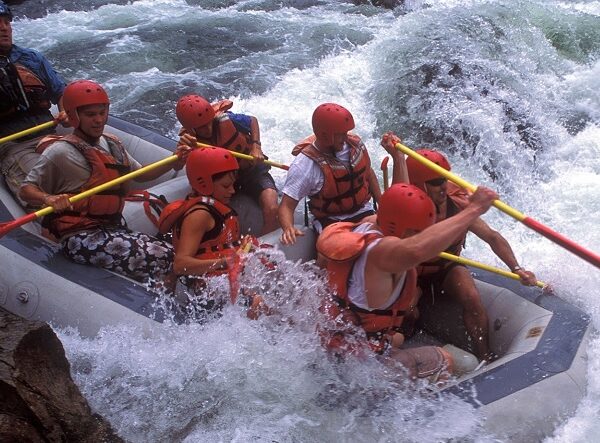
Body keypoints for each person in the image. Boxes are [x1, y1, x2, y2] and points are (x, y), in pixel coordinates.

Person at [316, 183, 500, 379]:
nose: (422, 235)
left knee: (397, 338)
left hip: (333, 347)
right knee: (443, 359)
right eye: (419, 232)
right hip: (360, 366)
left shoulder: (360, 229)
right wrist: (474, 209)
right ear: (402, 231)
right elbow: (417, 250)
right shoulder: (382, 254)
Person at [19, 80, 189, 287]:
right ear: (74, 116)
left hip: (111, 227)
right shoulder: (60, 152)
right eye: (91, 115)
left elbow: (142, 175)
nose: (99, 120)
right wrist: (49, 199)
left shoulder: (112, 143)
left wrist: (175, 160)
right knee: (163, 257)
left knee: (175, 251)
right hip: (78, 238)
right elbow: (26, 190)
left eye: (102, 112)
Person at [406, 149, 538, 361]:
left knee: (472, 298)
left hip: (447, 266)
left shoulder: (459, 205)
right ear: (420, 185)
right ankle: (407, 336)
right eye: (437, 181)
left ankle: (484, 355)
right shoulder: (406, 209)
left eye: (445, 178)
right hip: (413, 270)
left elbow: (492, 237)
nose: (443, 186)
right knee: (407, 310)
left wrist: (517, 269)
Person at [157, 147, 268, 320]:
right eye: (225, 186)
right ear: (204, 184)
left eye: (232, 185)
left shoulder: (215, 208)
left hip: (216, 281)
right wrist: (225, 262)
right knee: (259, 304)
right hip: (198, 288)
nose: (232, 190)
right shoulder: (199, 215)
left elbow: (216, 244)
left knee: (268, 294)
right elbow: (180, 264)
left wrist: (241, 246)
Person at [278, 103, 405, 245]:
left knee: (394, 235)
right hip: (330, 221)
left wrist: (382, 203)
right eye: (340, 134)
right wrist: (288, 227)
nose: (345, 137)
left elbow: (368, 173)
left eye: (346, 132)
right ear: (324, 136)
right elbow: (286, 206)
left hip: (364, 212)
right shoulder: (304, 165)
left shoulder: (355, 145)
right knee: (343, 250)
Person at [175, 94, 279, 235]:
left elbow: (252, 121)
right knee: (213, 215)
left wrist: (256, 146)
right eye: (201, 127)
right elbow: (176, 167)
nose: (208, 129)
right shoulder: (188, 141)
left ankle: (266, 246)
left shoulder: (226, 119)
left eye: (208, 123)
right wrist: (181, 155)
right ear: (191, 128)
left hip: (250, 170)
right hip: (222, 180)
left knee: (272, 207)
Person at [0, 1, 68, 206]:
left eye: (7, 23)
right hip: (12, 144)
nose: (4, 28)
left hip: (48, 134)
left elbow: (61, 92)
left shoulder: (32, 58)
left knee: (89, 170)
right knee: (46, 185)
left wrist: (65, 111)